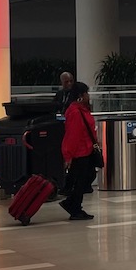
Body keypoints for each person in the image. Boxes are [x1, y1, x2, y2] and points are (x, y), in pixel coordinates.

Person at [58, 81, 97, 221]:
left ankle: (73, 204)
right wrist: (68, 156)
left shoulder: (81, 110)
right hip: (80, 152)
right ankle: (74, 206)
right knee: (81, 181)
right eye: (86, 93)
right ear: (81, 95)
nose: (88, 96)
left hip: (85, 150)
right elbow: (72, 135)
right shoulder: (76, 112)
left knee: (85, 179)